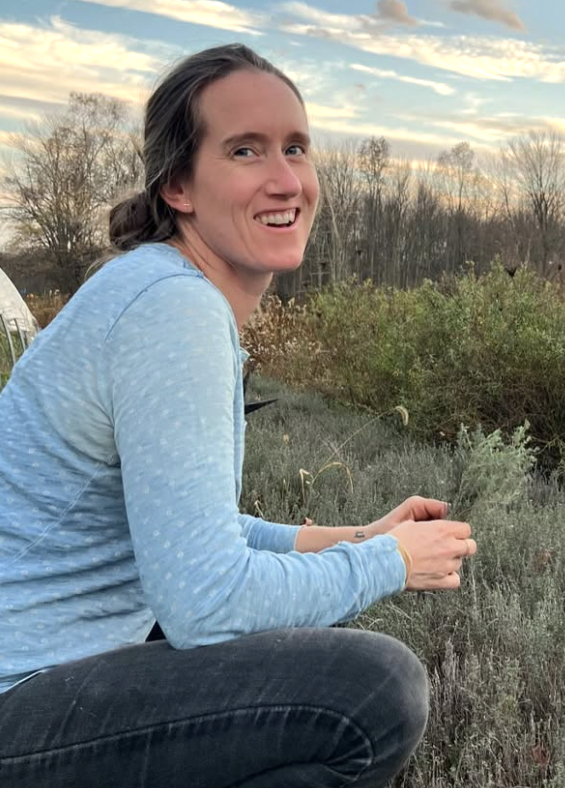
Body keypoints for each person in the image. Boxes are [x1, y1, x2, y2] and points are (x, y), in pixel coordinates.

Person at [0, 44, 477, 788]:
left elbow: (196, 533)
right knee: (373, 691)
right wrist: (389, 563)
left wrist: (358, 537)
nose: (286, 180)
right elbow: (206, 603)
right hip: (17, 696)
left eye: (296, 148)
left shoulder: (159, 290)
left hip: (50, 663)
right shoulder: (172, 309)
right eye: (246, 150)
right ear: (180, 186)